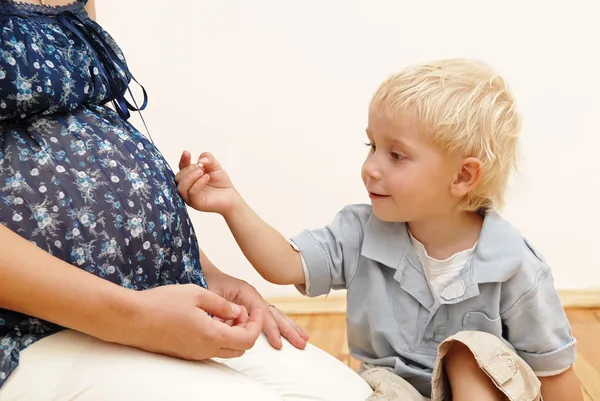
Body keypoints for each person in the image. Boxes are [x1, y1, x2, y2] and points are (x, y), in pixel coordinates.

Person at [0, 1, 374, 400]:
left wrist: (202, 271)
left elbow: (91, 123)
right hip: (33, 326)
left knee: (347, 392)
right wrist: (133, 317)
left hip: (148, 296)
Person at [175, 58, 584, 400]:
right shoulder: (360, 232)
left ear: (462, 176)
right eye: (371, 146)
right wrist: (231, 204)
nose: (371, 167)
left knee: (470, 351)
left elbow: (554, 371)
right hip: (394, 392)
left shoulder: (515, 266)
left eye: (397, 155)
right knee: (377, 386)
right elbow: (284, 264)